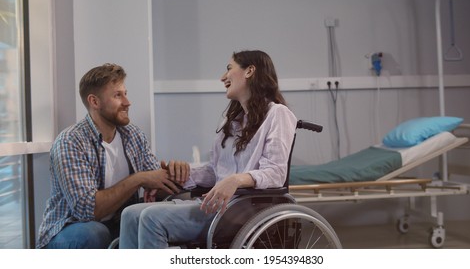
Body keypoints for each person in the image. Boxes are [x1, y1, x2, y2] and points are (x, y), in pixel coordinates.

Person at [118, 50, 297, 248]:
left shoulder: (278, 114)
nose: (223, 77)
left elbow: (276, 173)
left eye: (229, 69)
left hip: (244, 211)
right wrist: (172, 178)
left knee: (151, 218)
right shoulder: (232, 122)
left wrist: (236, 180)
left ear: (249, 71)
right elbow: (215, 171)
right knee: (130, 214)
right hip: (219, 206)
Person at [36, 63, 189, 249]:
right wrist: (138, 179)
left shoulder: (133, 135)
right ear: (94, 102)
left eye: (126, 93)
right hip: (69, 229)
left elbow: (154, 182)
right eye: (118, 95)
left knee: (146, 222)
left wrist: (175, 175)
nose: (127, 102)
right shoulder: (70, 141)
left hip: (115, 223)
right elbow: (88, 211)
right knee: (94, 233)